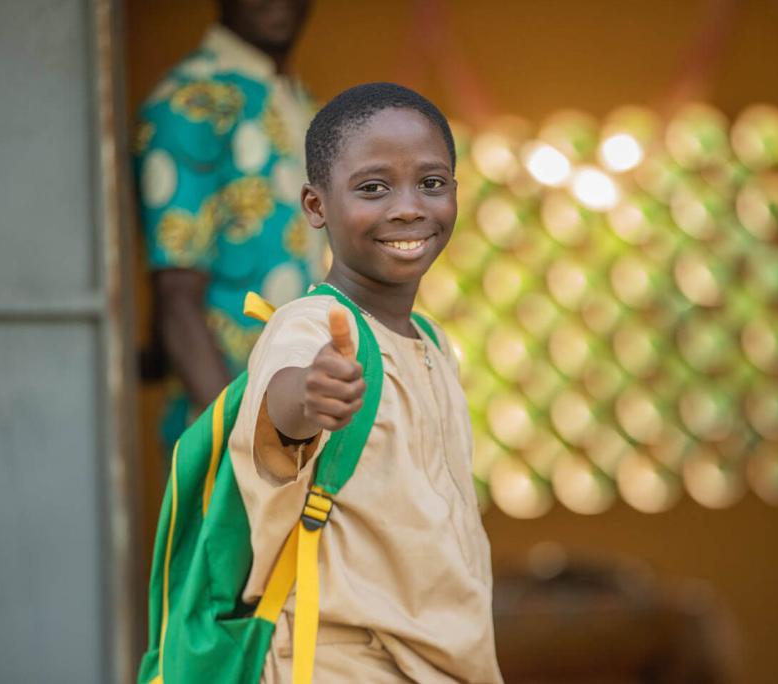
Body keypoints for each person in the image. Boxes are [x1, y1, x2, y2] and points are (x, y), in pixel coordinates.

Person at [227, 83, 503, 683]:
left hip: (436, 663)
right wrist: (309, 395)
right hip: (343, 661)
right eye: (373, 188)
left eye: (431, 183)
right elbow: (284, 403)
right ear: (316, 205)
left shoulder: (430, 341)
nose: (408, 207)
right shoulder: (309, 325)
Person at [133, 0, 322, 452]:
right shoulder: (192, 101)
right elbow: (176, 293)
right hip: (230, 431)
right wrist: (245, 445)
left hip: (301, 427)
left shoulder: (299, 102)